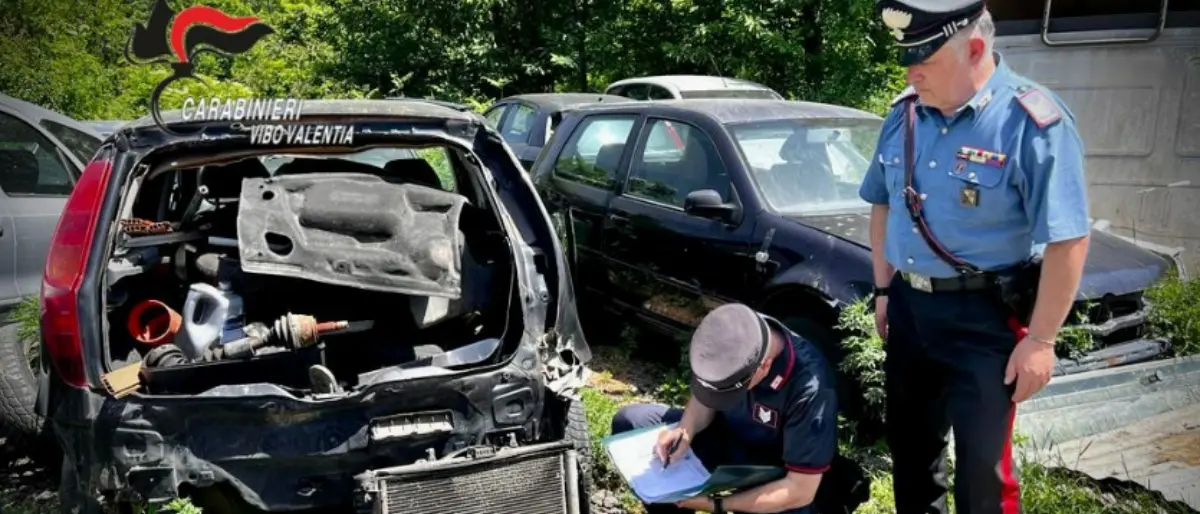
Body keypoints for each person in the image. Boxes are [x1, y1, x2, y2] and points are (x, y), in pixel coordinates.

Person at [858, 1, 1091, 513]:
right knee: (912, 454)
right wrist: (882, 289)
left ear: (976, 50)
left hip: (984, 320)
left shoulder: (1030, 122)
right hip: (908, 311)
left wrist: (1042, 340)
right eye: (906, 58)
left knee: (983, 471)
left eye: (924, 59)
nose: (910, 71)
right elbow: (881, 201)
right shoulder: (904, 115)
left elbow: (1068, 238)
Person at [609, 303, 840, 514]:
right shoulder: (727, 332)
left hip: (771, 468)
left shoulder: (812, 388)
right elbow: (704, 398)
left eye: (731, 392)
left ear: (764, 367)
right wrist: (685, 430)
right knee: (631, 421)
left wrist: (716, 504)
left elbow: (799, 490)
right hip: (722, 437)